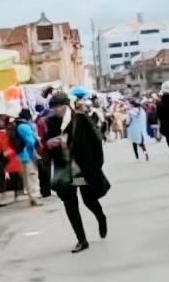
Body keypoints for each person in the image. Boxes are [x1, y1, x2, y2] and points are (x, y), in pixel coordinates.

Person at [45, 93, 109, 253]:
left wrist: (96, 165)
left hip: (81, 170)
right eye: (54, 107)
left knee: (88, 199)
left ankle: (100, 217)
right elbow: (47, 143)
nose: (57, 110)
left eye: (59, 106)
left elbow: (96, 140)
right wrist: (51, 144)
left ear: (67, 105)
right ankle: (81, 239)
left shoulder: (80, 119)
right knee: (70, 204)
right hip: (65, 171)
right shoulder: (51, 122)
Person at [13, 109, 41, 206]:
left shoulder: (17, 125)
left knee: (26, 177)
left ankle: (31, 196)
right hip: (27, 154)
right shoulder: (24, 126)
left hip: (20, 155)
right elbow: (30, 142)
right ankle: (34, 197)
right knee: (32, 175)